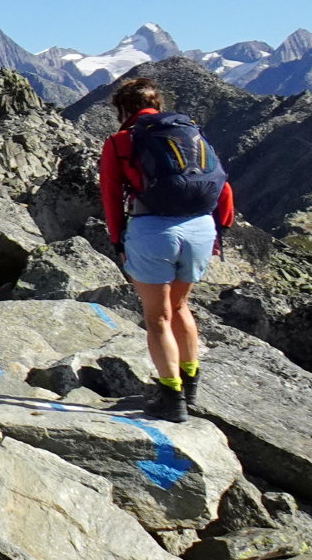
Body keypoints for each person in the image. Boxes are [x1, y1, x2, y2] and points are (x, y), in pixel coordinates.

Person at [99, 75, 234, 422]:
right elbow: (223, 187)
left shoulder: (120, 141)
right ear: (157, 104)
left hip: (153, 232)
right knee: (181, 306)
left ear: (123, 110)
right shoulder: (191, 133)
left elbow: (111, 196)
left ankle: (171, 397)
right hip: (201, 229)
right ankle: (191, 385)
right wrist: (219, 229)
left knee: (157, 317)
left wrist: (117, 240)